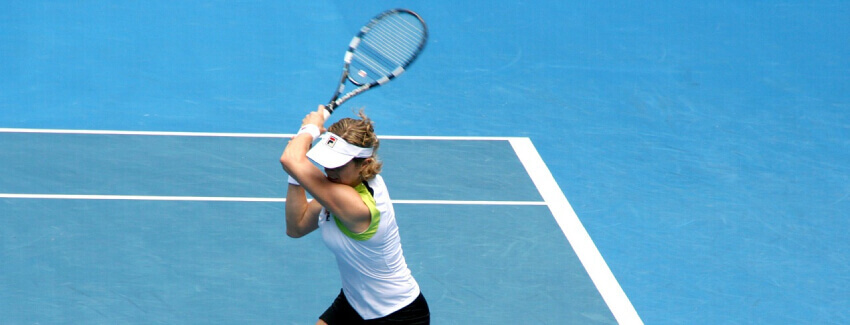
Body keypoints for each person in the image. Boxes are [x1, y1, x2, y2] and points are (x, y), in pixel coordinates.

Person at [280, 105, 430, 324]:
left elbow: (290, 159)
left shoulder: (355, 205)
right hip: (353, 302)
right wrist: (296, 177)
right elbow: (297, 227)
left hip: (397, 315)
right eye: (326, 163)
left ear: (365, 164)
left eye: (338, 165)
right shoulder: (339, 186)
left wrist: (310, 128)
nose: (329, 172)